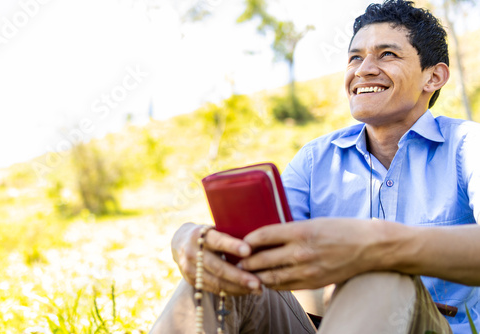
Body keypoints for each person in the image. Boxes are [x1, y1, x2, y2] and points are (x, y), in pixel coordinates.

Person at [151, 0, 480, 333]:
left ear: (433, 77)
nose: (363, 69)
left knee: (379, 271)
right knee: (217, 275)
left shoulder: (468, 147)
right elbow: (259, 246)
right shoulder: (315, 158)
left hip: (437, 326)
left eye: (387, 55)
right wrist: (191, 239)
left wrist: (379, 245)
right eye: (355, 57)